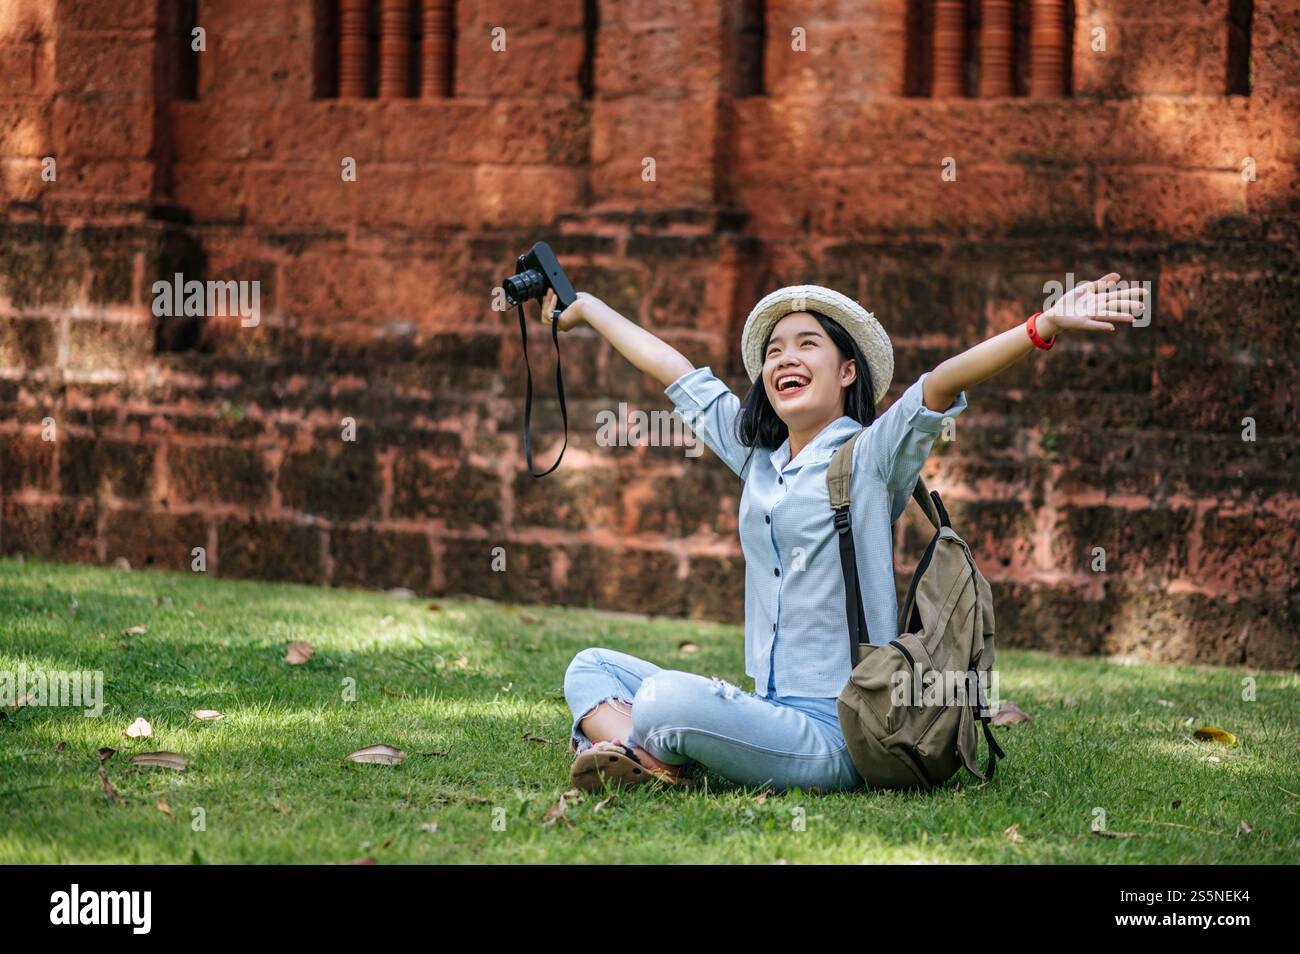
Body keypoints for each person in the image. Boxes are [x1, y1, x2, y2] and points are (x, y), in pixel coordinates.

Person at [543, 274, 1146, 793]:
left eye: (808, 344)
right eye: (774, 350)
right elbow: (678, 373)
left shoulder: (871, 457)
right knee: (589, 666)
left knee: (662, 699)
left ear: (847, 370)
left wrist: (1043, 325)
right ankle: (644, 758)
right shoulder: (757, 456)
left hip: (843, 731)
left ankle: (642, 745)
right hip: (767, 710)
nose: (785, 358)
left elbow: (937, 386)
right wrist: (589, 307)